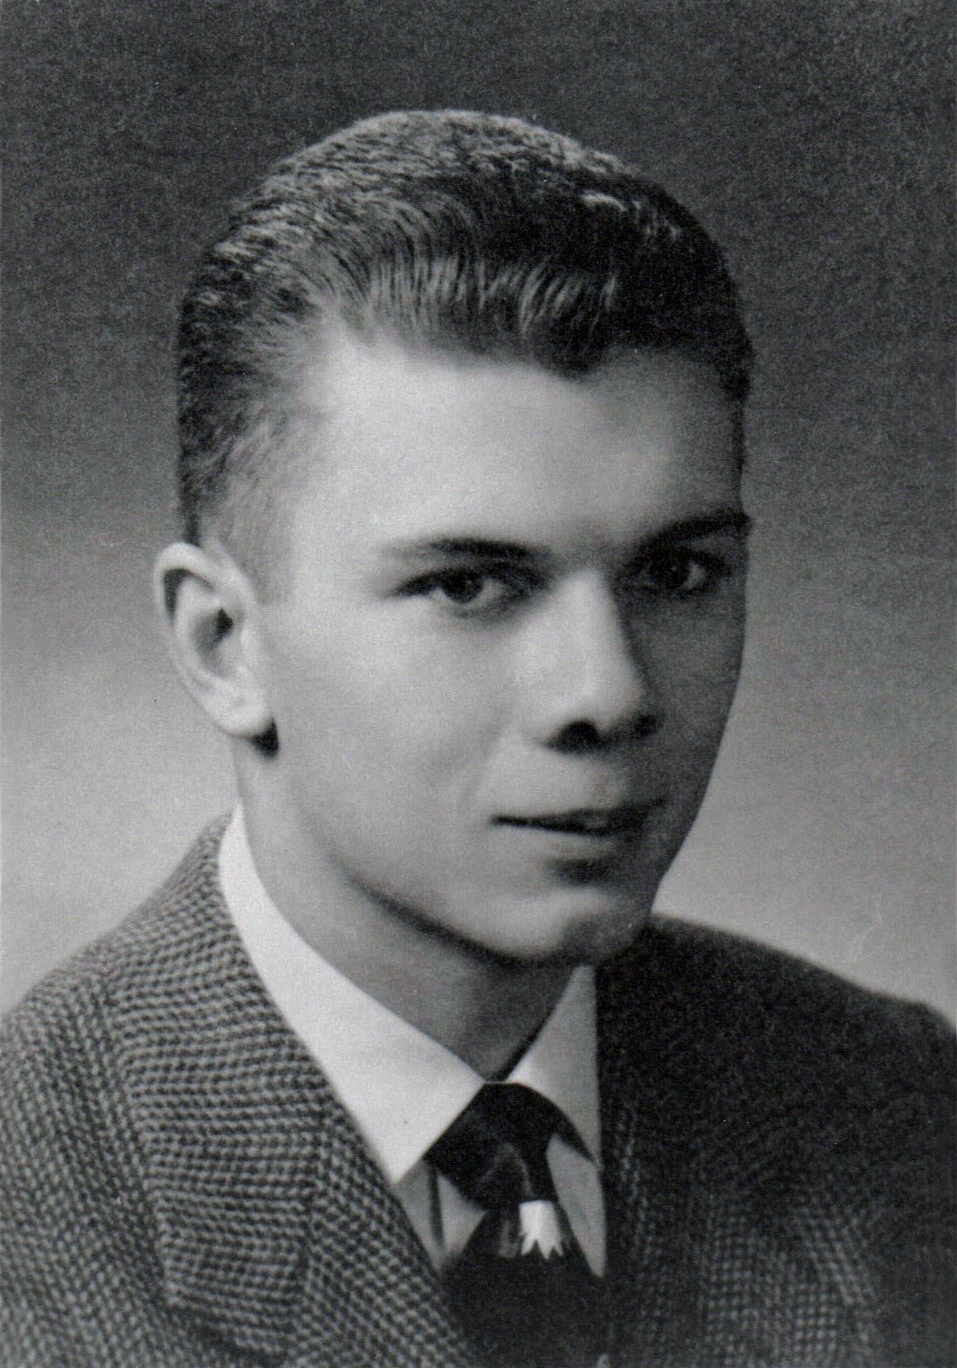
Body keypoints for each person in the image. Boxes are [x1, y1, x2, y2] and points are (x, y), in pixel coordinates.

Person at [1, 110, 952, 1368]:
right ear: (224, 644)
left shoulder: (896, 1104)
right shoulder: (28, 1200)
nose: (608, 693)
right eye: (469, 585)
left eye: (676, 573)